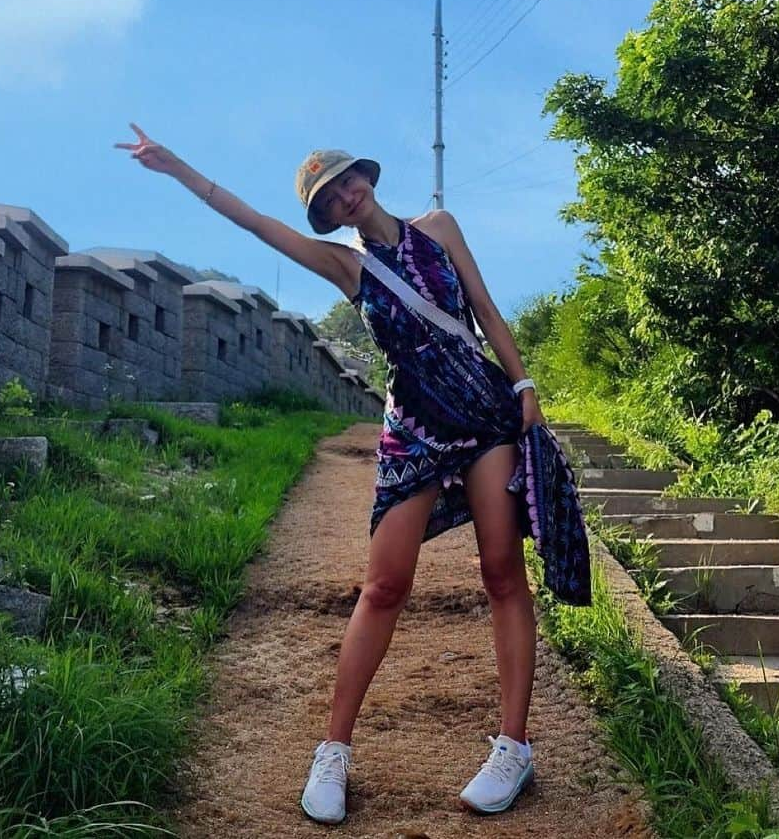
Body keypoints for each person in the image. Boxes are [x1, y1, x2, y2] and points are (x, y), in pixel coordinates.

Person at [116, 127, 549, 824]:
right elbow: (254, 222)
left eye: (347, 180)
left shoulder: (438, 228)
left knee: (502, 571)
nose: (346, 195)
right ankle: (333, 751)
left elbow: (486, 311)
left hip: (483, 410)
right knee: (383, 585)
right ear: (328, 214)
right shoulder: (348, 269)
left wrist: (523, 383)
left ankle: (514, 748)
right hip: (413, 427)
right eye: (330, 197)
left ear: (365, 176)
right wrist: (176, 169)